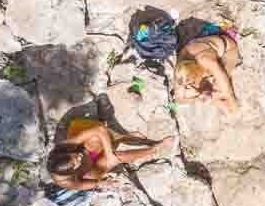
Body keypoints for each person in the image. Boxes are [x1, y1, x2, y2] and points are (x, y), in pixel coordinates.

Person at [46, 116, 175, 191]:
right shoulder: (65, 181)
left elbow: (99, 129)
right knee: (118, 157)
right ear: (72, 171)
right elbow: (83, 184)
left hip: (91, 150)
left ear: (66, 153)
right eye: (76, 162)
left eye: (74, 155)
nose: (78, 157)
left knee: (96, 138)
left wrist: (108, 154)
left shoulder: (62, 148)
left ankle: (122, 138)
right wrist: (103, 183)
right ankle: (155, 148)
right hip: (92, 169)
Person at [172, 33, 241, 111]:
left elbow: (227, 91)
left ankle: (223, 105)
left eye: (193, 83)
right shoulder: (181, 70)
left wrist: (233, 105)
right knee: (204, 93)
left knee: (218, 85)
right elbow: (179, 99)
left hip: (228, 50)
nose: (193, 85)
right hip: (203, 55)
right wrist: (196, 96)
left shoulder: (204, 59)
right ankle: (216, 100)